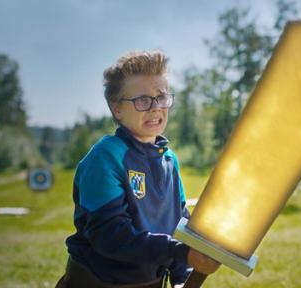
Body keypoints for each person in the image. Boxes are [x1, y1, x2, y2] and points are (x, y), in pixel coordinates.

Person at [56, 50, 220, 288]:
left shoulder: (169, 160)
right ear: (117, 109)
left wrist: (181, 278)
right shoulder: (105, 157)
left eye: (161, 97)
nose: (155, 108)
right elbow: (111, 236)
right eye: (142, 100)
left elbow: (179, 224)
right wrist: (183, 252)